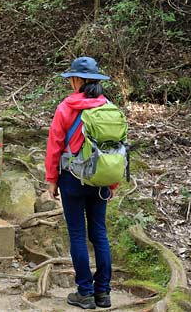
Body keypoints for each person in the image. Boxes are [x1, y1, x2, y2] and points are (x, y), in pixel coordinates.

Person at [45, 57, 117, 310]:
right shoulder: (108, 107)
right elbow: (115, 149)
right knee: (99, 233)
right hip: (101, 179)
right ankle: (103, 293)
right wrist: (112, 183)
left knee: (77, 234)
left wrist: (51, 180)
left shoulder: (66, 107)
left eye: (72, 79)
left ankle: (85, 293)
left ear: (78, 80)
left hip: (72, 179)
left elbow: (54, 146)